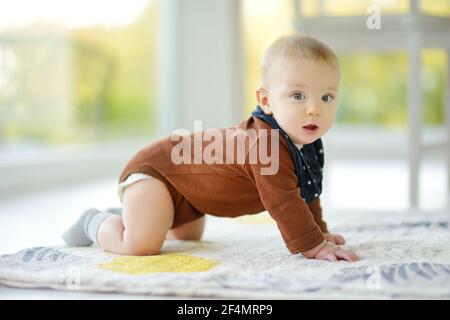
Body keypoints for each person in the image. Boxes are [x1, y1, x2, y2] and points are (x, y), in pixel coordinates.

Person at [62, 34, 359, 262]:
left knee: (186, 237)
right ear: (266, 101)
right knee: (141, 245)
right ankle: (95, 221)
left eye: (326, 98)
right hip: (156, 174)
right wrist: (312, 244)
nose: (313, 109)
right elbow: (284, 201)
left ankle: (136, 212)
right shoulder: (264, 143)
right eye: (297, 95)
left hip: (189, 195)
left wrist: (319, 229)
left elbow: (305, 191)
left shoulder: (304, 144)